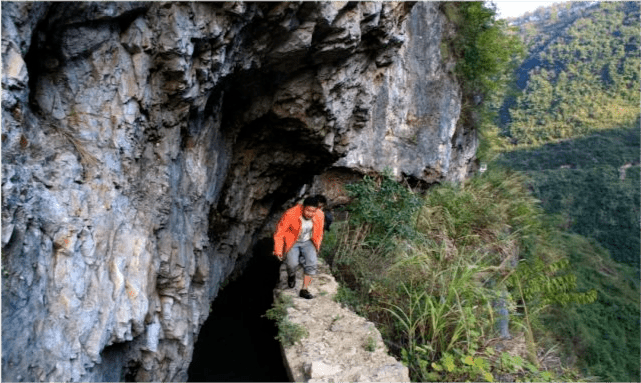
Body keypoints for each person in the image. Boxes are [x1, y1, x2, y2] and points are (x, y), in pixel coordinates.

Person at [273, 196, 324, 299]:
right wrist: (278, 249)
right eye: (308, 210)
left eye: (313, 211)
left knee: (312, 264)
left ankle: (304, 290)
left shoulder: (319, 215)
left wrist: (317, 246)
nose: (310, 213)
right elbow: (280, 232)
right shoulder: (291, 213)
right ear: (303, 207)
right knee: (292, 264)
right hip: (293, 241)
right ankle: (291, 275)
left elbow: (319, 232)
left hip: (308, 241)